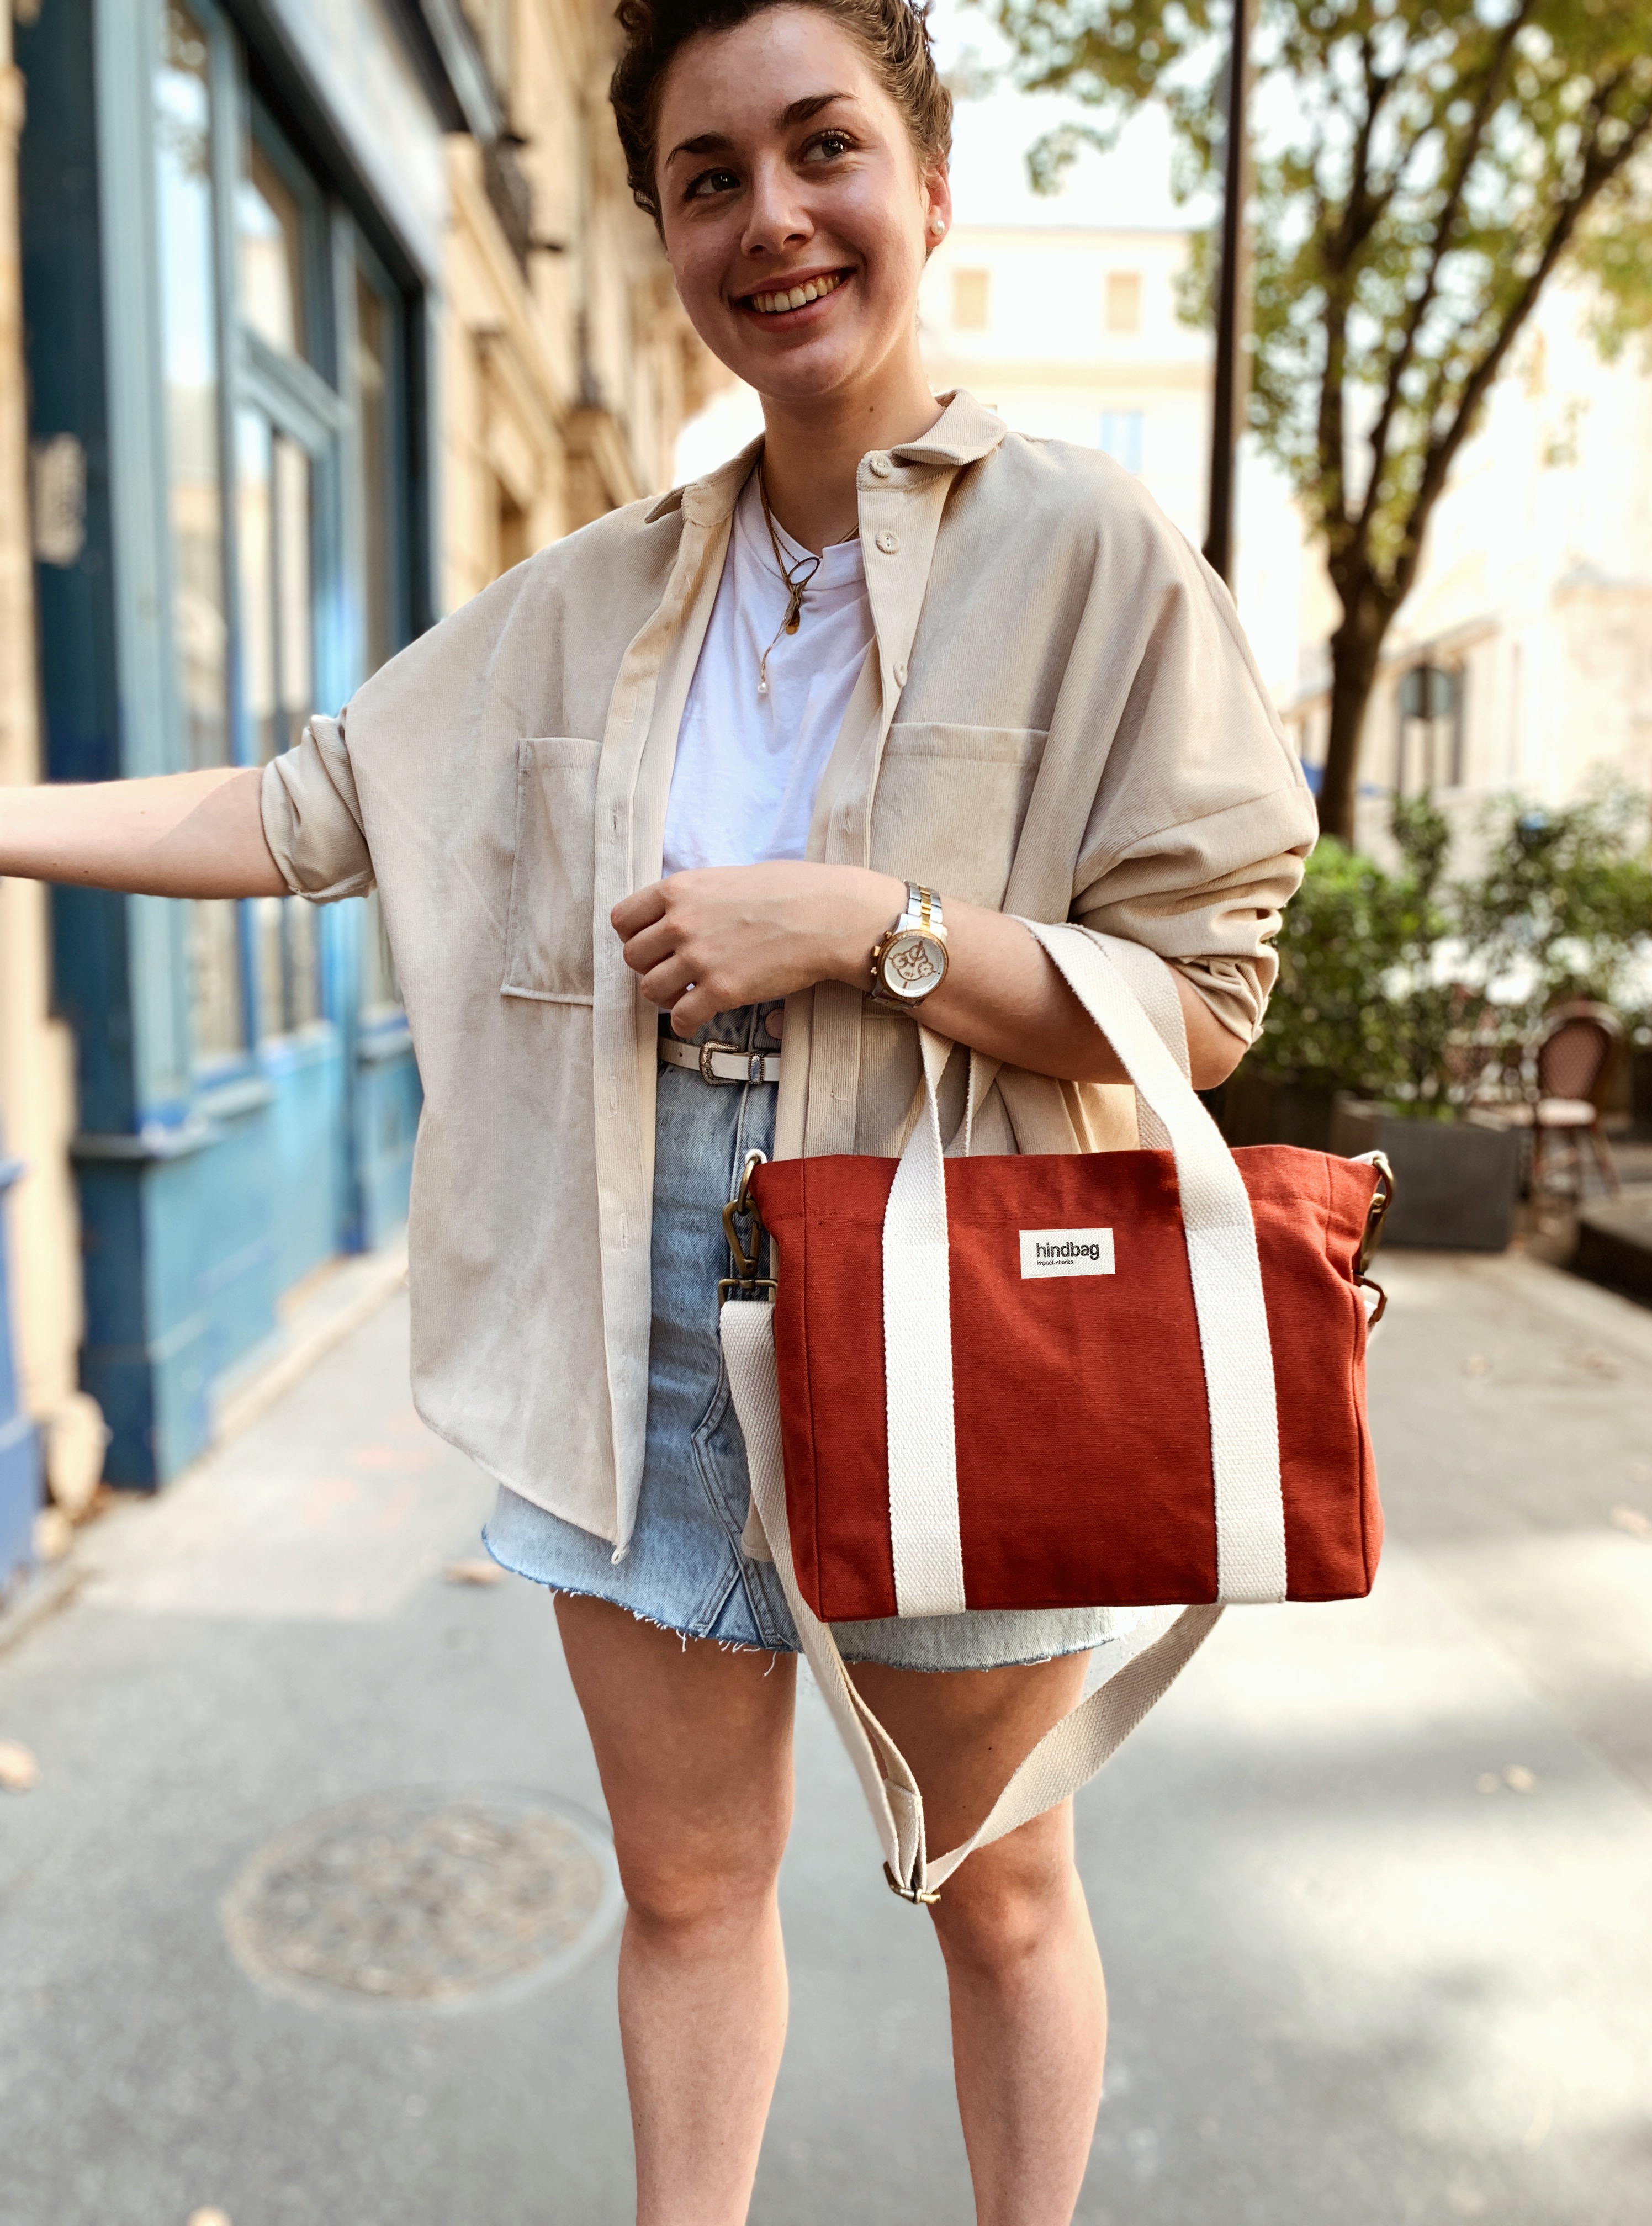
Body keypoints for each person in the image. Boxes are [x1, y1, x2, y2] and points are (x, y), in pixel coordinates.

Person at [0, 0, 1316, 2216]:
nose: (772, 219)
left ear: (929, 182)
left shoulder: (1090, 556)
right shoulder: (600, 591)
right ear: (665, 230)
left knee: (991, 1892)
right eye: (709, 178)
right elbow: (312, 807)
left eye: (823, 150)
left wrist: (874, 926)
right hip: (638, 1278)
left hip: (944, 1288)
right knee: (692, 1896)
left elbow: (1200, 1002)